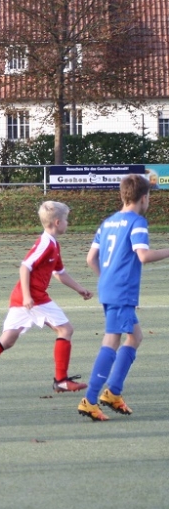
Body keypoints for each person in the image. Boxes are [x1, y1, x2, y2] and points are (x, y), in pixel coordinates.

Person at [0, 201, 93, 398]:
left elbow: (59, 272)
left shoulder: (53, 244)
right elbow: (25, 267)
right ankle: (61, 380)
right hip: (33, 298)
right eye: (66, 220)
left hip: (23, 297)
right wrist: (28, 296)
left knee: (8, 339)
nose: (67, 223)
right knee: (65, 329)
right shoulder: (46, 243)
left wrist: (79, 289)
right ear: (57, 222)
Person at [77, 175, 169, 421]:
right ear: (144, 198)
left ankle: (113, 392)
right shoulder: (137, 222)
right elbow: (143, 256)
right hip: (121, 290)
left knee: (135, 336)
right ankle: (90, 400)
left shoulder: (107, 222)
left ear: (122, 195)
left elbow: (90, 258)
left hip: (109, 288)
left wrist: (106, 278)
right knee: (112, 340)